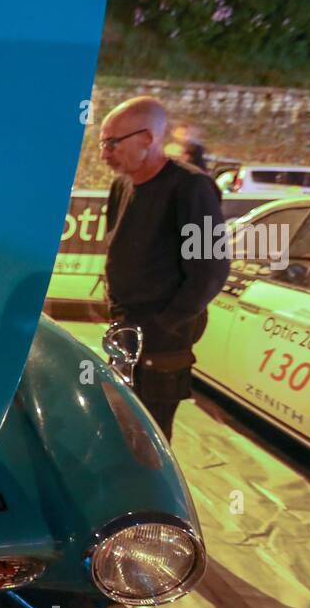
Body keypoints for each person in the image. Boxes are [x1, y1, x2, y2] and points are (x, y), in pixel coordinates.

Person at [98, 96, 229, 441]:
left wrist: (164, 324)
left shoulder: (191, 187)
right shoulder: (122, 184)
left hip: (162, 342)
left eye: (113, 143)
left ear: (148, 138)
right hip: (126, 332)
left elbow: (211, 270)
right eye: (103, 143)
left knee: (150, 436)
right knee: (122, 424)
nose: (105, 154)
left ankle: (147, 495)